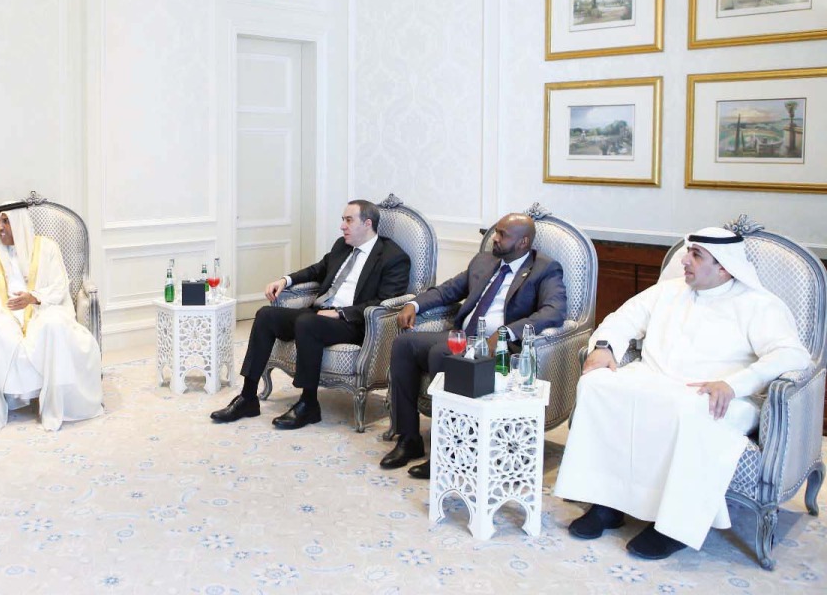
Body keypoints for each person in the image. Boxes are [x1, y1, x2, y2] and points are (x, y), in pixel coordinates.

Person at [554, 227, 811, 560]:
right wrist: (605, 347)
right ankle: (606, 504)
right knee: (595, 383)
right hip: (654, 378)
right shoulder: (668, 291)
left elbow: (793, 355)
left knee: (694, 411)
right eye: (688, 252)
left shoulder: (759, 305)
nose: (684, 261)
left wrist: (736, 384)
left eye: (695, 255)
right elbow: (622, 319)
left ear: (724, 267)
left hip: (719, 394)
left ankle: (672, 528)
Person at [381, 213, 567, 478]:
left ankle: (451, 450)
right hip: (465, 337)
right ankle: (409, 438)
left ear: (524, 242)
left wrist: (504, 334)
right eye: (496, 232)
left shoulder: (545, 269)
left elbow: (553, 312)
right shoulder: (484, 261)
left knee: (442, 353)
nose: (495, 238)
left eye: (503, 234)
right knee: (404, 344)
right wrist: (415, 304)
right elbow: (448, 290)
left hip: (499, 349)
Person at [211, 200, 411, 430]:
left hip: (353, 324)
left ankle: (308, 403)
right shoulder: (342, 246)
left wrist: (340, 314)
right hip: (317, 315)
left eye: (348, 220)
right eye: (342, 220)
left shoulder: (393, 257)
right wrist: (285, 280)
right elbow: (317, 269)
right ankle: (248, 397)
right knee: (266, 314)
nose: (342, 226)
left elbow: (383, 303)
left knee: (307, 322)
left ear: (367, 223)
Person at [0, 201, 102, 434]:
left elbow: (59, 286)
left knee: (53, 325)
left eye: (6, 221)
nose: (0, 227)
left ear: (19, 223)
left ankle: (53, 408)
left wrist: (33, 297)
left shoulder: (47, 248)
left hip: (41, 311)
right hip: (4, 315)